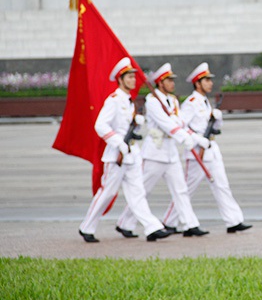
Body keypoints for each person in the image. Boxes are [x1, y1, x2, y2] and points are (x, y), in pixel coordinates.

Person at [79, 57, 172, 242]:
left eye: (133, 77)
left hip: (131, 154)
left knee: (137, 192)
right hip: (116, 155)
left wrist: (137, 125)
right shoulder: (114, 100)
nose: (132, 80)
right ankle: (86, 227)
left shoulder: (129, 101)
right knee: (107, 193)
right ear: (120, 79)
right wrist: (117, 142)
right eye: (128, 77)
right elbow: (100, 125)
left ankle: (152, 227)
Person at [116, 63, 210, 238]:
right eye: (168, 80)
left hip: (170, 151)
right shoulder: (152, 101)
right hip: (155, 151)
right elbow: (166, 124)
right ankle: (125, 223)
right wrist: (183, 136)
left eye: (172, 80)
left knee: (180, 189)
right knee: (143, 190)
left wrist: (182, 129)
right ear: (160, 83)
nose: (172, 84)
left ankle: (190, 224)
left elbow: (180, 121)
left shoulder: (173, 100)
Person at [162, 62, 252, 234]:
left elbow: (214, 126)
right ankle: (169, 221)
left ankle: (233, 220)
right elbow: (182, 126)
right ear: (198, 83)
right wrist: (197, 139)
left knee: (222, 185)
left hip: (211, 148)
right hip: (197, 151)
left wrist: (217, 119)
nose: (210, 83)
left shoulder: (205, 102)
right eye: (206, 80)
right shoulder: (191, 103)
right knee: (187, 189)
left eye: (210, 80)